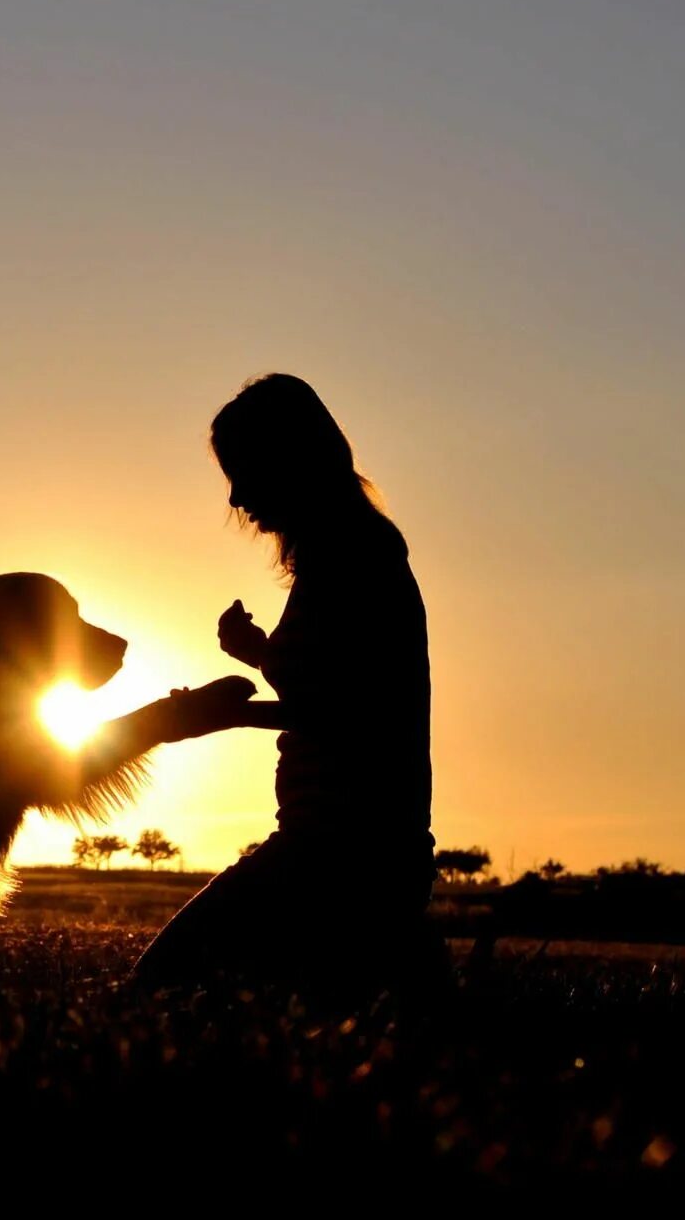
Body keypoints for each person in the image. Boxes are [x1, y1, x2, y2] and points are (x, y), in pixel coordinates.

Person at [131, 374, 437, 997]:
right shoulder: (353, 551)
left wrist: (227, 715)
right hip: (345, 848)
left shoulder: (357, 554)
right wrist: (260, 653)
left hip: (341, 856)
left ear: (289, 461)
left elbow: (347, 711)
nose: (237, 498)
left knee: (159, 990)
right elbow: (335, 686)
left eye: (243, 471)